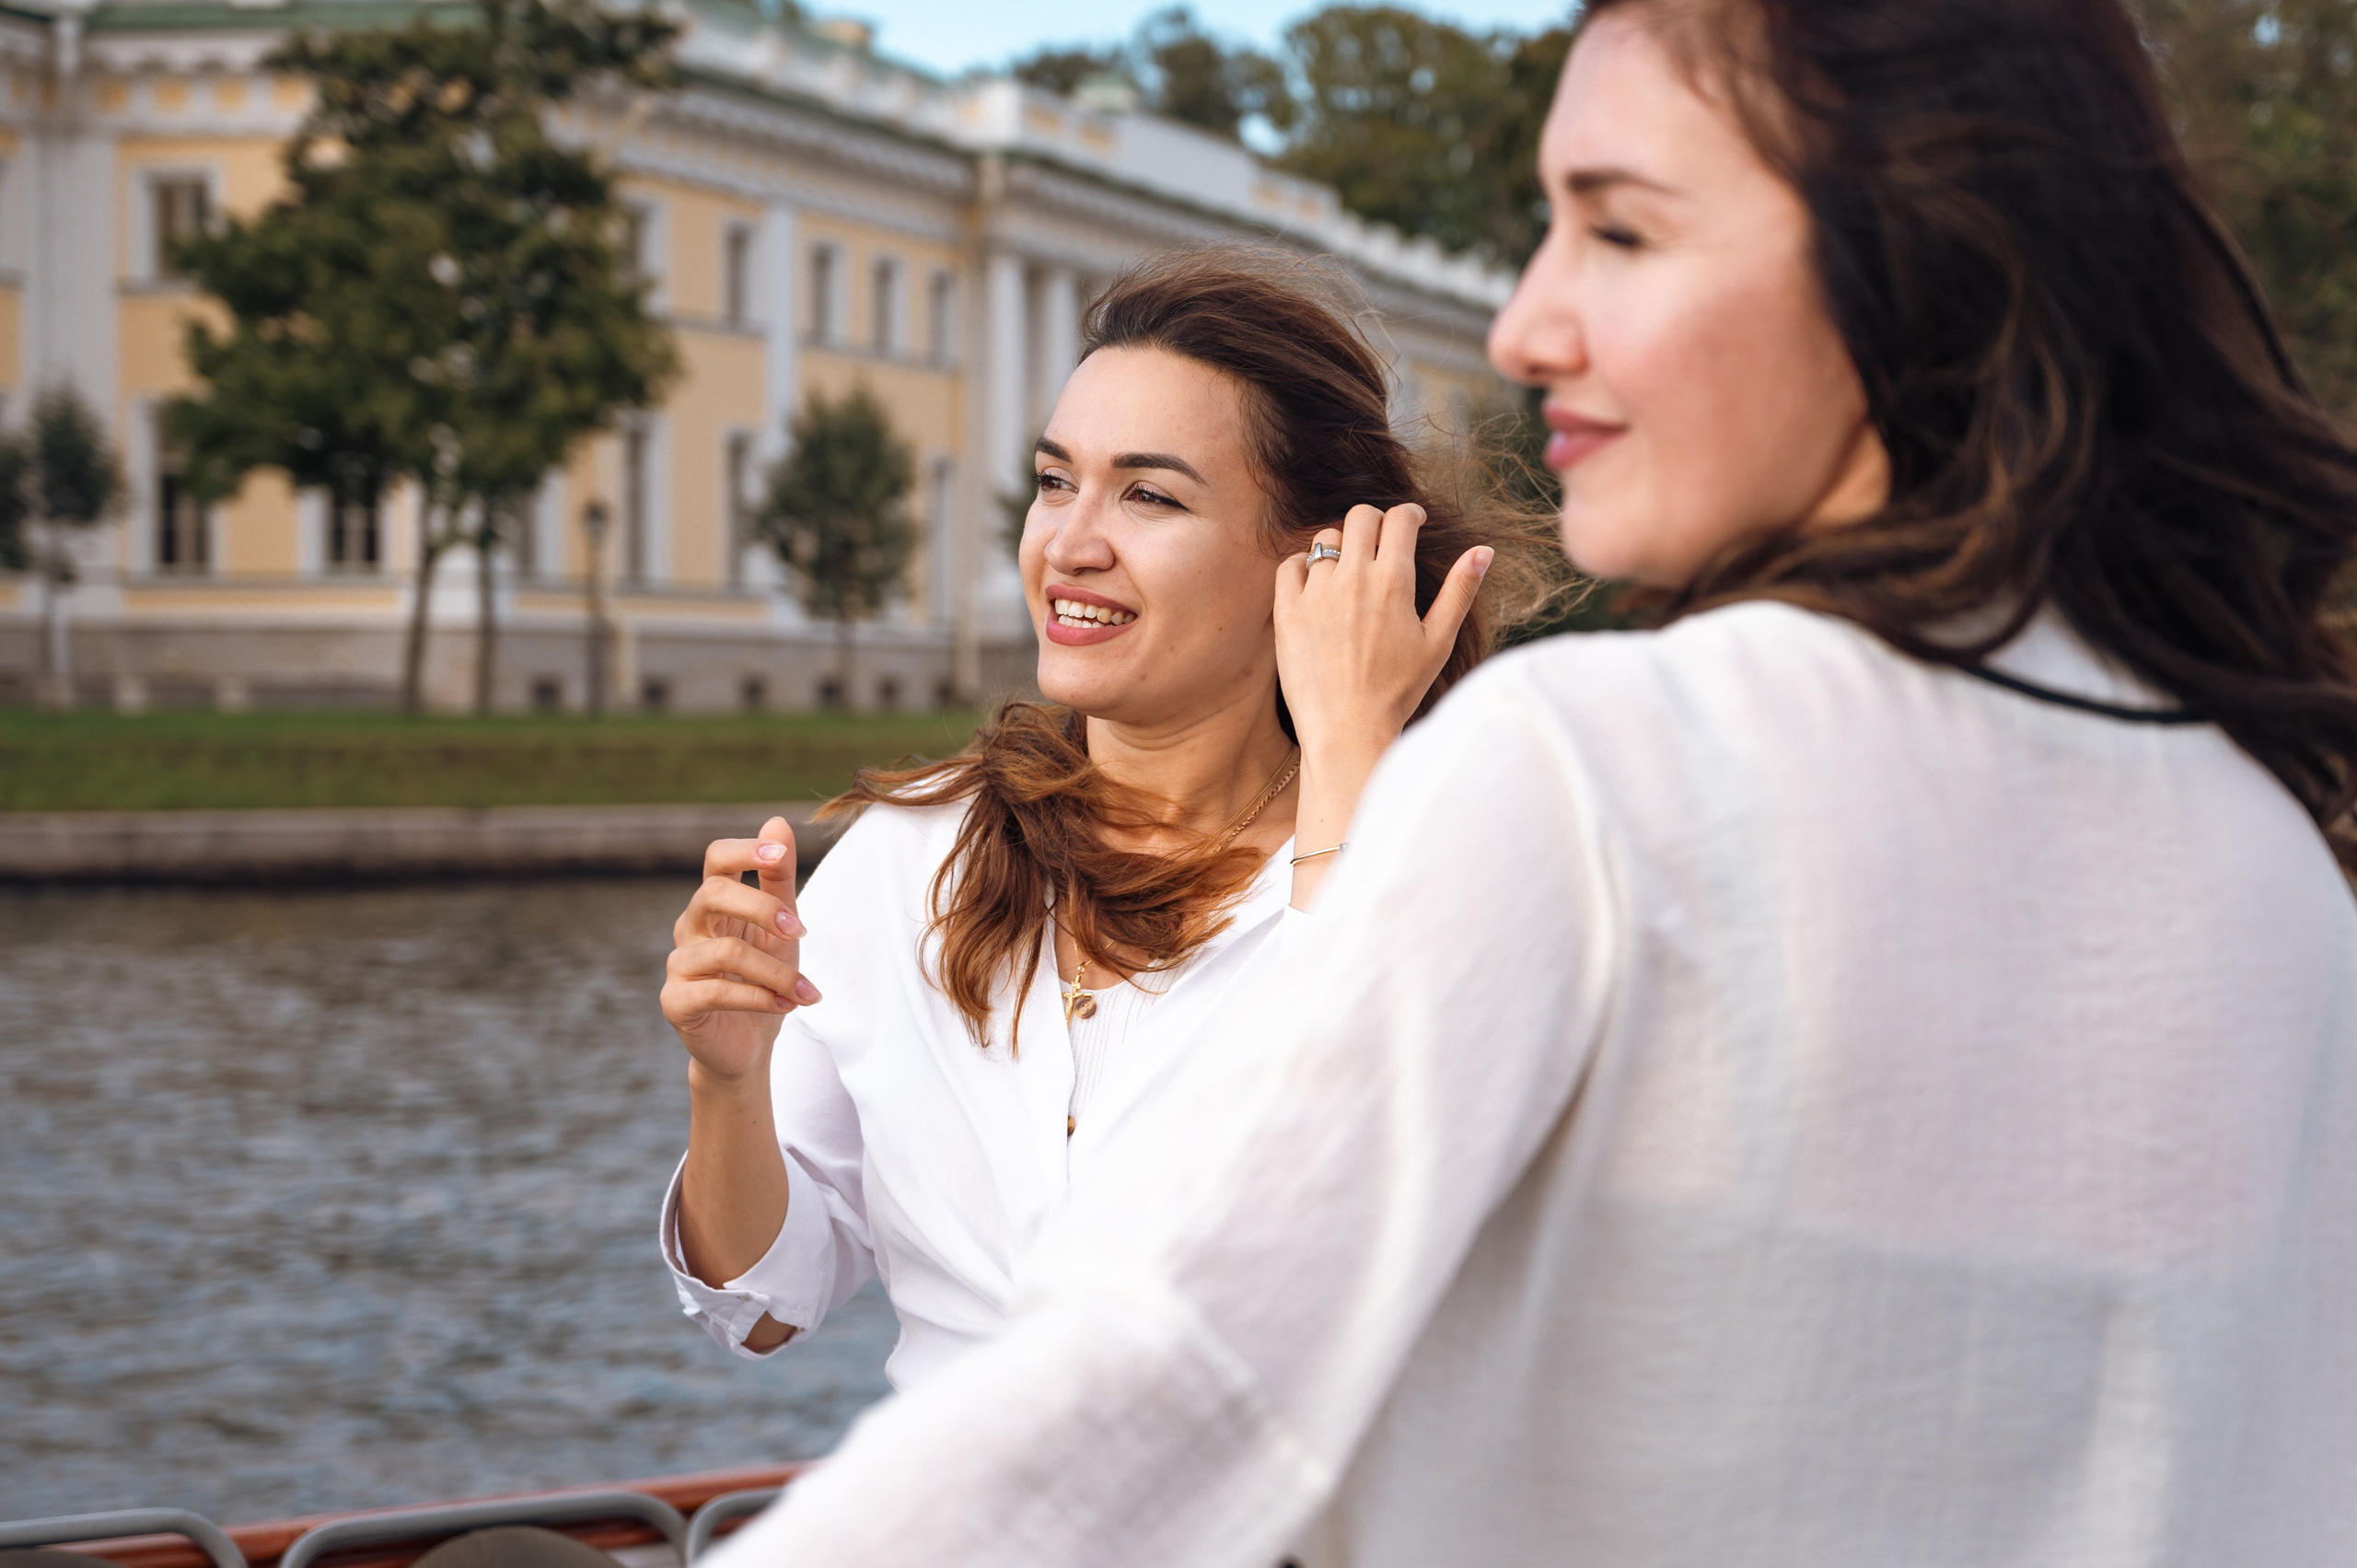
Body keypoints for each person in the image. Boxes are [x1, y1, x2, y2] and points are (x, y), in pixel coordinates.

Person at [700, 0, 2357, 1563]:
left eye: (1621, 230)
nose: (1524, 323)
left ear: (1910, 268)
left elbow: (1176, 1376)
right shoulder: (2270, 839)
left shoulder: (1602, 777)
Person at [655, 251, 1550, 1387]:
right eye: (1053, 480)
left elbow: (1381, 1235)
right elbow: (762, 1303)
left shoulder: (1446, 860)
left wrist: (1350, 764)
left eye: (1150, 495)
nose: (1069, 542)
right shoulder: (913, 858)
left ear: (1316, 558)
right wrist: (727, 1079)